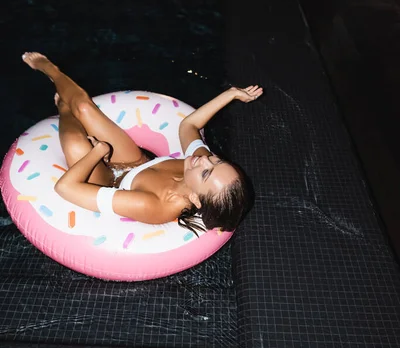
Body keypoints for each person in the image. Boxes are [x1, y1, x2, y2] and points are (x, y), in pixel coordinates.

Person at [22, 52, 263, 233]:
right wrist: (230, 94)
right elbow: (188, 126)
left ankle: (63, 109)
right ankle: (51, 70)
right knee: (85, 107)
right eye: (216, 160)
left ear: (196, 199)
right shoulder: (197, 165)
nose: (204, 159)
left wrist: (100, 151)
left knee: (76, 144)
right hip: (134, 162)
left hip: (109, 182)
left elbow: (66, 188)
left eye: (206, 173)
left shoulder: (155, 205)